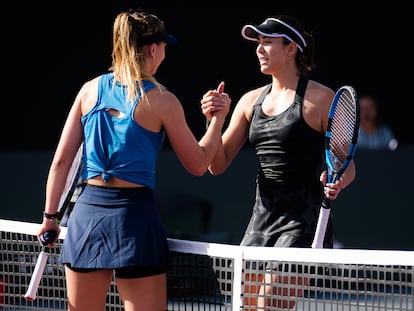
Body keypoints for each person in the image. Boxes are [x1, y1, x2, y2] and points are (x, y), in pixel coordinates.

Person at [37, 10, 230, 311]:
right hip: (135, 220)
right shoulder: (163, 101)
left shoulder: (88, 90)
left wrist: (50, 218)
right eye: (164, 46)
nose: (164, 53)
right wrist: (217, 121)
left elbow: (61, 162)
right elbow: (198, 163)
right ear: (153, 49)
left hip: (87, 219)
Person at [201, 14, 356, 310]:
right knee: (244, 306)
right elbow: (215, 164)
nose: (259, 49)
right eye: (258, 43)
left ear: (291, 48)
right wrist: (216, 121)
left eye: (268, 42)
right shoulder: (249, 102)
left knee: (269, 306)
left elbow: (346, 163)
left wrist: (338, 180)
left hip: (304, 222)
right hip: (260, 221)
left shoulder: (322, 99)